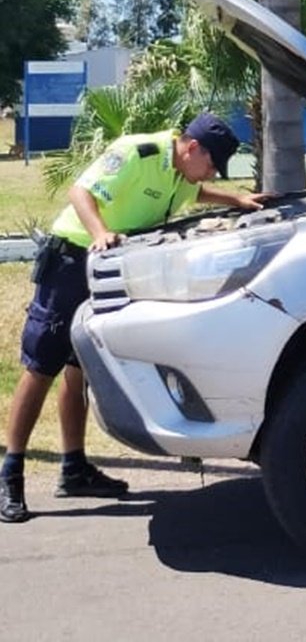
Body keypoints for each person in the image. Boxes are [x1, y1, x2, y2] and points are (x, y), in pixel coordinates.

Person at [0, 113, 267, 523]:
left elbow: (191, 196)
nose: (211, 174)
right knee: (40, 367)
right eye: (212, 165)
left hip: (111, 270)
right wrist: (99, 232)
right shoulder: (136, 152)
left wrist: (237, 202)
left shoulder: (182, 175)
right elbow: (80, 192)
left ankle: (74, 470)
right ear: (192, 147)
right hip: (72, 261)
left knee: (78, 370)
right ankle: (10, 474)